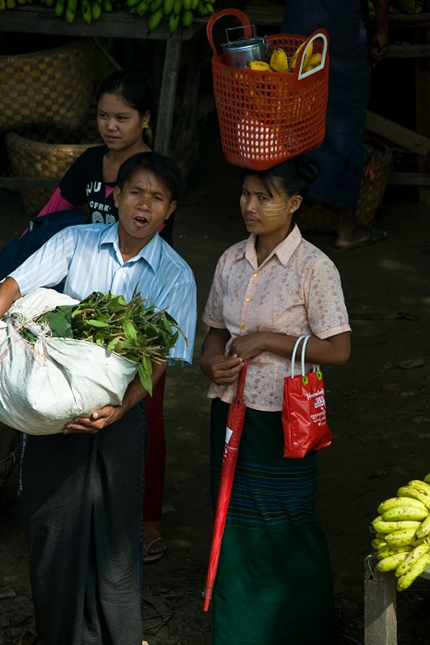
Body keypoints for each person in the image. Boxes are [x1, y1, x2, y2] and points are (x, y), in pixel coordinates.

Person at [0, 151, 197, 645]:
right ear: (116, 195)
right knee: (50, 530)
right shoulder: (74, 241)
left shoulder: (177, 276)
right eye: (135, 192)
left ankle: (114, 636)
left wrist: (120, 410)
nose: (143, 205)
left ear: (169, 210)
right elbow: (13, 285)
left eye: (157, 198)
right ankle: (60, 635)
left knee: (112, 537)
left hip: (121, 419)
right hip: (53, 416)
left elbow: (158, 360)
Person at [200, 156, 351, 644]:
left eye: (264, 197)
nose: (250, 205)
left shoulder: (314, 268)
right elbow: (214, 332)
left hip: (287, 417)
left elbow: (339, 349)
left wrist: (266, 340)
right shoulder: (230, 260)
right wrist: (210, 363)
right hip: (229, 408)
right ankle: (239, 631)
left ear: (294, 204)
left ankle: (301, 630)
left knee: (288, 519)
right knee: (233, 517)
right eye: (246, 194)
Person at [21, 69, 171, 560]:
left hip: (137, 314)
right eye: (104, 116)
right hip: (82, 311)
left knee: (142, 414)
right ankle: (78, 514)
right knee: (75, 405)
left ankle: (145, 520)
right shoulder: (88, 164)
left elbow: (160, 247)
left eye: (122, 117)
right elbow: (51, 215)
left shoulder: (155, 178)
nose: (111, 126)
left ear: (145, 120)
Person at [282, 0, 390, 249]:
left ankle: (286, 224)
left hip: (300, 20)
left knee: (297, 114)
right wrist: (382, 28)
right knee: (346, 116)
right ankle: (347, 228)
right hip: (342, 26)